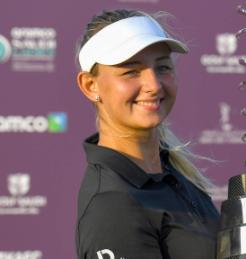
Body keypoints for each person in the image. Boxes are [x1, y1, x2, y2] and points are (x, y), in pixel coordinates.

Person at [74, 9, 220, 259]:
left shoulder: (174, 176)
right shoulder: (112, 204)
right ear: (90, 85)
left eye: (162, 67)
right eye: (131, 71)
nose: (153, 85)